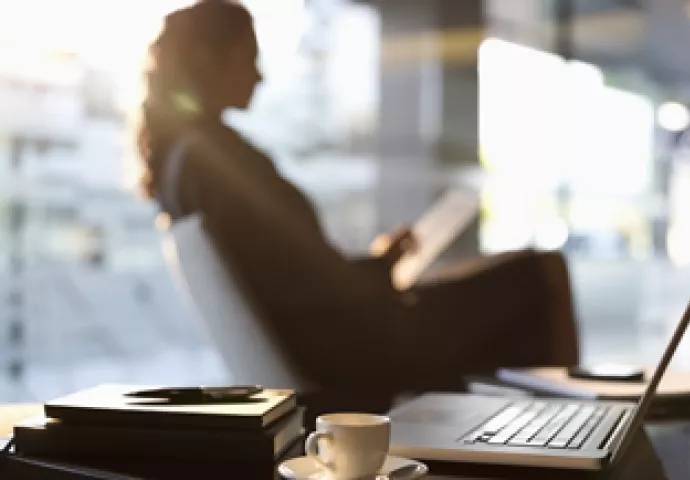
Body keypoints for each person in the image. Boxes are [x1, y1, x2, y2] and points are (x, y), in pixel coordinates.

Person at [136, 0, 578, 401]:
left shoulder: (184, 164)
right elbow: (306, 284)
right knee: (541, 272)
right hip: (358, 347)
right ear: (207, 60)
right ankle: (569, 433)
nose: (259, 74)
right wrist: (379, 269)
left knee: (471, 278)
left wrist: (378, 265)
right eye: (249, 58)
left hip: (337, 338)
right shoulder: (217, 161)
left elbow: (290, 273)